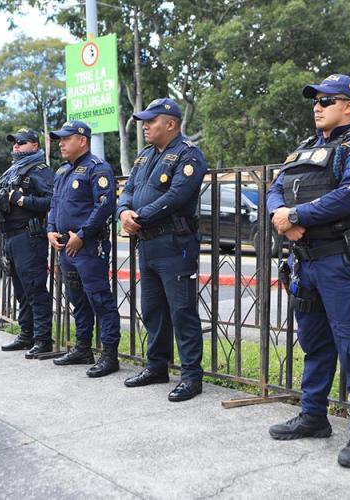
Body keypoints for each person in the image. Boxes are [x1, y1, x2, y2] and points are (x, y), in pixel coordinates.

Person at [267, 74, 350, 468]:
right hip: (304, 260)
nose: (317, 107)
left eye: (326, 101)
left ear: (348, 106)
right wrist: (280, 215)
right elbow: (275, 187)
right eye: (315, 101)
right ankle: (314, 416)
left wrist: (296, 215)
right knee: (315, 343)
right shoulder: (305, 148)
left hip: (340, 261)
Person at [116, 98, 208, 402]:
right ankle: (156, 366)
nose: (145, 126)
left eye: (151, 120)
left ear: (170, 124)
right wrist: (123, 212)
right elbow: (128, 190)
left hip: (174, 243)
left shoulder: (188, 154)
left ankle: (191, 376)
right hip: (148, 243)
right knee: (152, 308)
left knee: (181, 310)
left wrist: (139, 217)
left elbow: (178, 195)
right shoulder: (144, 156)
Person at [47, 120, 120, 377]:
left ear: (82, 140)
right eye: (60, 139)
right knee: (76, 299)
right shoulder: (62, 171)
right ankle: (83, 348)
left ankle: (109, 355)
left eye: (66, 138)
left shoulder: (97, 168)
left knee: (99, 299)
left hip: (88, 246)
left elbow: (105, 205)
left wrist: (82, 234)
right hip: (66, 247)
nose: (61, 143)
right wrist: (50, 230)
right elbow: (54, 204)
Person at [0, 129, 55, 359]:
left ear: (35, 145)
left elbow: (52, 200)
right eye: (14, 142)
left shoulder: (40, 170)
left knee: (35, 288)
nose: (16, 146)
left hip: (29, 236)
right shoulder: (14, 170)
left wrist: (22, 200)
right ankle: (27, 334)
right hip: (11, 236)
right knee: (21, 290)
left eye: (22, 142)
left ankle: (43, 339)